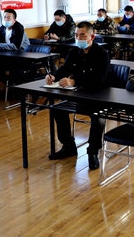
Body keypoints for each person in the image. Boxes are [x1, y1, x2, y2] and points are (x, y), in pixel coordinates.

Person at [45, 22, 110, 170]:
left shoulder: (102, 54)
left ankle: (92, 152)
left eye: (82, 35)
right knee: (58, 109)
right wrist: (54, 77)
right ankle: (68, 146)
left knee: (97, 116)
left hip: (99, 95)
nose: (78, 38)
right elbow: (65, 68)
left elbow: (98, 79)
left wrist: (74, 81)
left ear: (92, 37)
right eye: (76, 35)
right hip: (78, 94)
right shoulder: (74, 52)